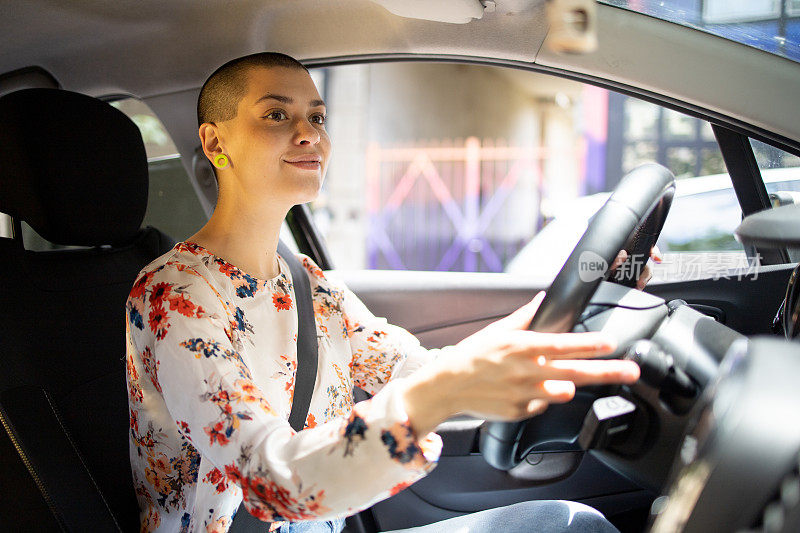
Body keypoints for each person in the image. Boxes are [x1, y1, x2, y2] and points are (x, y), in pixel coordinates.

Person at [125, 52, 651, 533]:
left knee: (569, 525)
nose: (310, 133)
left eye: (318, 116)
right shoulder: (176, 296)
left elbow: (413, 369)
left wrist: (550, 315)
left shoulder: (305, 279)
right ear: (217, 144)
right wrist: (446, 389)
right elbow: (272, 482)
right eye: (276, 115)